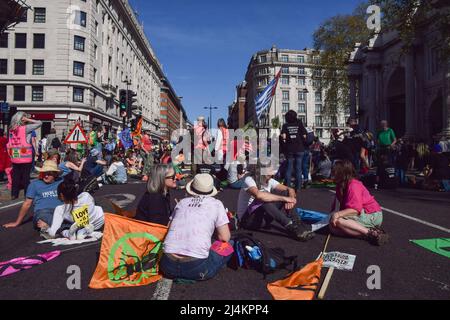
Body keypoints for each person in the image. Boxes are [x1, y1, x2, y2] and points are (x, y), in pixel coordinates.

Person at [159, 174, 232, 281]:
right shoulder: (216, 204)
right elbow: (224, 237)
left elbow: (168, 228)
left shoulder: (181, 203)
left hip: (167, 264)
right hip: (196, 267)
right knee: (229, 245)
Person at [236, 162, 314, 241]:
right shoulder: (249, 179)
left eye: (272, 171)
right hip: (247, 221)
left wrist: (290, 199)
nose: (271, 173)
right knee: (262, 199)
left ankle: (297, 223)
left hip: (262, 220)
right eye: (268, 171)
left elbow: (290, 189)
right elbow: (259, 195)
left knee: (285, 193)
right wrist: (285, 199)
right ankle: (291, 226)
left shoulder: (269, 180)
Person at [330, 160, 389, 246]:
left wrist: (337, 215)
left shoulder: (354, 185)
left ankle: (371, 233)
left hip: (372, 214)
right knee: (333, 227)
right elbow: (339, 207)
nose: (332, 176)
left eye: (334, 173)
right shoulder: (340, 186)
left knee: (338, 221)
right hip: (362, 213)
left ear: (342, 174)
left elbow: (355, 210)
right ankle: (364, 233)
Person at [3, 160, 63, 229]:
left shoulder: (61, 182)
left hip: (60, 210)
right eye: (44, 173)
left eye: (49, 174)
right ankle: (58, 229)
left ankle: (55, 229)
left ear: (55, 174)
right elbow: (27, 204)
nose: (46, 176)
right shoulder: (34, 184)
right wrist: (17, 222)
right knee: (43, 219)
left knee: (69, 216)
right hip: (43, 211)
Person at [37, 179, 104, 239]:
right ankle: (83, 231)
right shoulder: (86, 196)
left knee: (61, 228)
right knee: (95, 208)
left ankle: (68, 233)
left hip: (81, 225)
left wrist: (46, 227)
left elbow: (52, 233)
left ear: (61, 195)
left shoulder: (61, 209)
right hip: (99, 221)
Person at [7, 112, 42, 200]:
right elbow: (39, 123)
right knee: (26, 177)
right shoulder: (25, 128)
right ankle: (27, 194)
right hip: (25, 156)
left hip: (15, 156)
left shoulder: (11, 129)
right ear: (22, 119)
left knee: (16, 177)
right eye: (24, 117)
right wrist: (28, 120)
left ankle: (14, 194)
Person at [281, 110, 308, 190]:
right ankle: (298, 187)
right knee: (298, 168)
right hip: (299, 148)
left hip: (289, 149)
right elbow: (304, 135)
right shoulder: (299, 123)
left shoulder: (285, 125)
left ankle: (288, 187)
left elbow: (284, 137)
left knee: (289, 167)